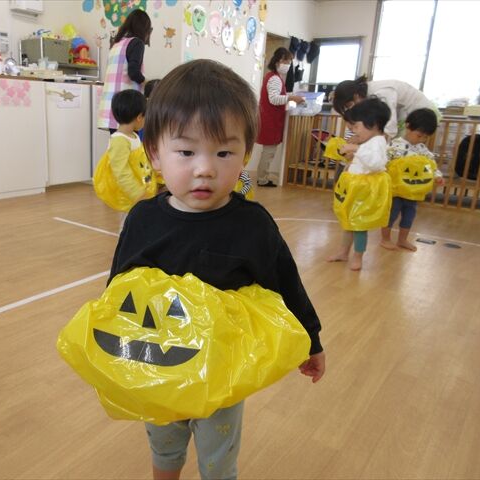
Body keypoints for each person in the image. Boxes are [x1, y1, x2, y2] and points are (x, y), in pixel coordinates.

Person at [110, 59, 325, 480]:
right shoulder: (142, 220)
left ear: (246, 154)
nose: (205, 167)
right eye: (186, 152)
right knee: (163, 446)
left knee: (218, 460)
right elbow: (119, 288)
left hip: (222, 371)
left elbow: (286, 284)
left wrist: (311, 341)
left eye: (224, 152)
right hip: (160, 363)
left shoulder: (253, 225)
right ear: (155, 154)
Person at [328, 97, 392, 271]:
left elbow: (376, 163)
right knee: (348, 222)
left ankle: (358, 257)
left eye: (357, 126)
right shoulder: (369, 141)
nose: (354, 130)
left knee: (359, 225)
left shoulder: (378, 142)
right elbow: (363, 160)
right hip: (356, 187)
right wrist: (352, 154)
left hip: (365, 191)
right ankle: (343, 252)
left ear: (374, 124)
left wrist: (356, 149)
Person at [381, 108, 442, 251]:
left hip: (413, 192)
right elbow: (383, 162)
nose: (421, 140)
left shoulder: (422, 150)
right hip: (396, 191)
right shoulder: (393, 146)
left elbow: (431, 165)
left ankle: (402, 240)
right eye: (419, 135)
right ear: (408, 126)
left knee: (409, 216)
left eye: (425, 137)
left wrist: (437, 175)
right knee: (391, 215)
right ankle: (385, 239)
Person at [93, 89, 154, 217]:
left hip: (140, 190)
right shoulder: (119, 140)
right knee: (129, 222)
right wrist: (136, 193)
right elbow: (120, 171)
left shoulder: (133, 136)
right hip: (129, 195)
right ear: (139, 117)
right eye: (145, 116)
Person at [255, 47, 305, 187]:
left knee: (268, 151)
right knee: (269, 152)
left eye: (289, 62)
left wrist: (289, 96)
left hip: (269, 118)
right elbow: (274, 99)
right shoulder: (275, 79)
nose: (287, 64)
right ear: (277, 61)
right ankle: (262, 179)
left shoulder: (272, 76)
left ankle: (262, 176)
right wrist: (291, 98)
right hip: (270, 120)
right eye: (285, 61)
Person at [97, 9, 153, 133]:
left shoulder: (116, 44)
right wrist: (147, 83)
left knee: (117, 142)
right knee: (129, 143)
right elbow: (133, 72)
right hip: (128, 108)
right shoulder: (137, 43)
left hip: (112, 107)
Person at [332, 75, 439, 139]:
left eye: (349, 105)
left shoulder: (382, 93)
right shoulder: (370, 94)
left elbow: (389, 125)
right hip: (405, 114)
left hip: (421, 114)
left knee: (403, 148)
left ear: (356, 96)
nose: (352, 108)